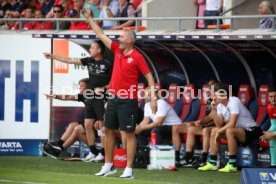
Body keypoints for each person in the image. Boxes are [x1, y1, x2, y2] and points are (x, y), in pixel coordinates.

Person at [82, 8, 157, 179]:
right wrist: (89, 19)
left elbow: (149, 77)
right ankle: (109, 165)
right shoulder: (117, 50)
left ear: (129, 41)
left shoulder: (137, 57)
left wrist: (152, 98)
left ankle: (129, 170)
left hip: (128, 100)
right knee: (108, 130)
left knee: (128, 134)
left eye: (122, 37)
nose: (118, 38)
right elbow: (101, 35)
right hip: (113, 98)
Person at [43, 40, 112, 162]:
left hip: (102, 98)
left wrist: (103, 88)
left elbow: (114, 81)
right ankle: (93, 151)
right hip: (90, 97)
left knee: (101, 127)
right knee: (87, 125)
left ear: (99, 50)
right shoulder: (89, 61)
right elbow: (70, 60)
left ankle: (102, 152)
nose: (90, 50)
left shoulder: (107, 64)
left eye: (92, 48)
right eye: (90, 48)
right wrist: (53, 56)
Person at [198, 82, 263, 172]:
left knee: (229, 131)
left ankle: (232, 164)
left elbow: (232, 123)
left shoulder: (234, 101)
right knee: (214, 130)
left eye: (214, 94)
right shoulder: (219, 106)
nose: (212, 97)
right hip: (239, 131)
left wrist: (220, 131)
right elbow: (219, 125)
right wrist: (213, 110)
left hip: (253, 131)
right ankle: (212, 163)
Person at [174, 80, 217, 168]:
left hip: (216, 127)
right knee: (189, 128)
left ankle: (203, 158)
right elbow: (208, 116)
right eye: (209, 86)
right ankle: (187, 157)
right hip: (207, 125)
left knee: (205, 130)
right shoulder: (210, 100)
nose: (210, 88)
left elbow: (218, 118)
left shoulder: (221, 100)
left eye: (212, 86)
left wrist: (203, 123)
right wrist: (199, 122)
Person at [261, 86, 276, 168]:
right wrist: (267, 133)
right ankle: (274, 165)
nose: (273, 99)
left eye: (275, 96)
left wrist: (272, 134)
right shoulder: (270, 107)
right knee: (272, 136)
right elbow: (274, 125)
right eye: (271, 97)